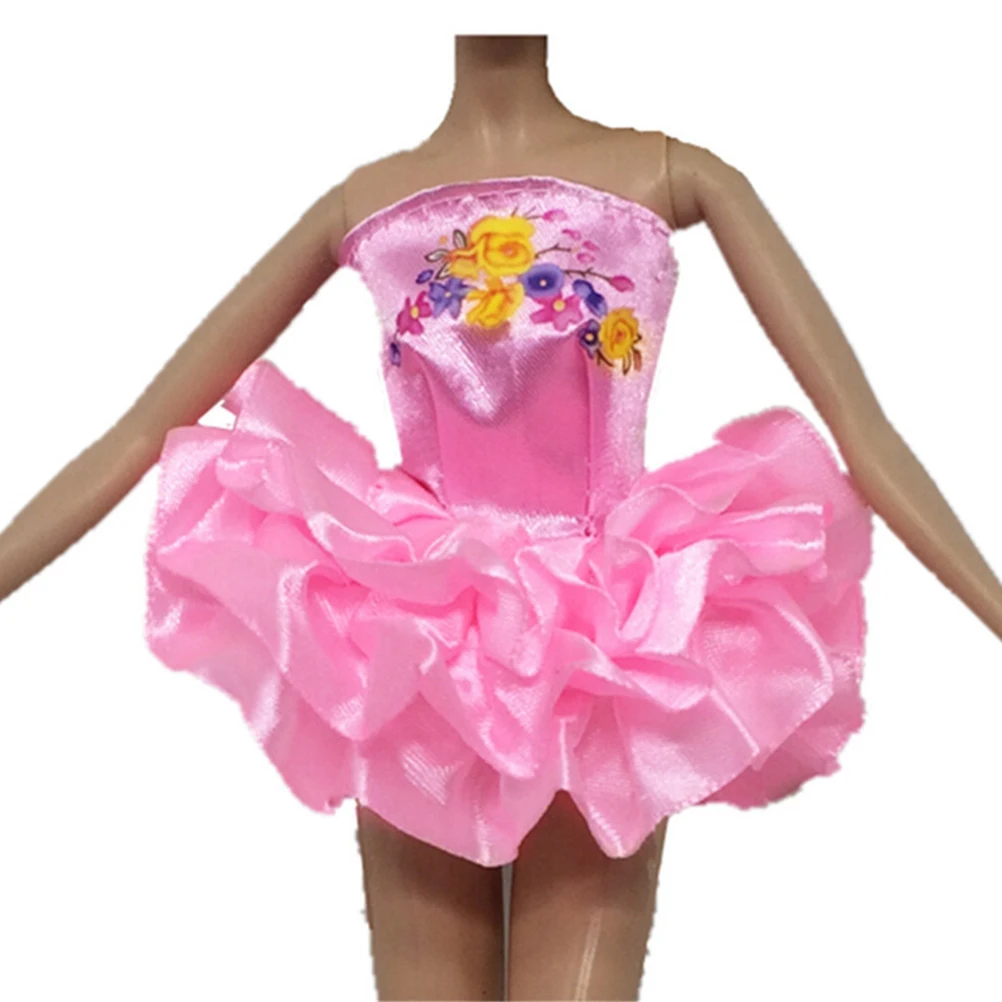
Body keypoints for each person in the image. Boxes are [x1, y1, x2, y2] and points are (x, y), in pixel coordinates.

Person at [2, 34, 1001, 1002]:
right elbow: (140, 431)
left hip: (599, 642)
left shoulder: (670, 175)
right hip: (423, 642)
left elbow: (867, 436)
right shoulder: (369, 205)